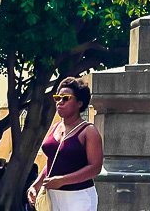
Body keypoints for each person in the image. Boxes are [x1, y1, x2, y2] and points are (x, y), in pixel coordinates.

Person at [28, 79, 102, 211]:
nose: (60, 102)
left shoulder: (88, 131)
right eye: (57, 98)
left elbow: (95, 167)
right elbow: (53, 161)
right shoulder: (56, 127)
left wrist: (62, 180)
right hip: (52, 196)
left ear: (79, 103)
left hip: (78, 197)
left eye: (66, 98)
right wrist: (35, 185)